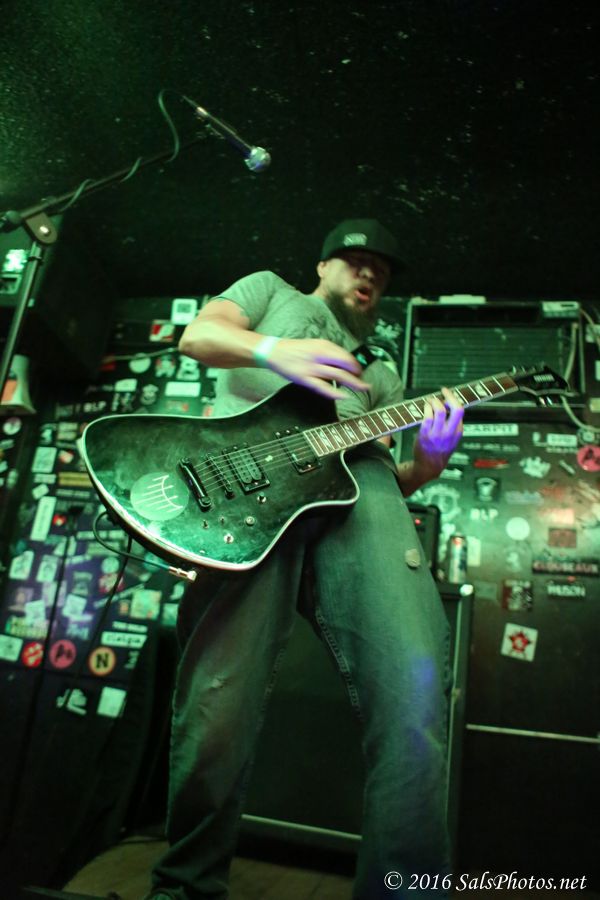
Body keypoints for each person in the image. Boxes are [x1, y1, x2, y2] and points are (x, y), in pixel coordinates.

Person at [145, 219, 464, 900]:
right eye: (356, 259)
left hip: (362, 494)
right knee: (217, 704)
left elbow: (394, 473)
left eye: (382, 268)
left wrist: (427, 466)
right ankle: (185, 887)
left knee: (413, 691)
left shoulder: (381, 370)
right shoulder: (271, 291)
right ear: (322, 265)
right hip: (247, 493)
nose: (370, 272)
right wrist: (273, 350)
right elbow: (198, 336)